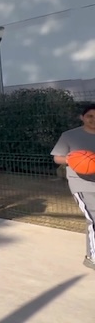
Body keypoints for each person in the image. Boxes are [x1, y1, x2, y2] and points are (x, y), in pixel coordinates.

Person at [52, 104, 95, 270]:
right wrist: (70, 160)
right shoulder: (70, 136)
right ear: (82, 117)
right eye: (89, 116)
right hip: (82, 184)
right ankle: (92, 257)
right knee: (93, 219)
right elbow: (57, 158)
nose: (93, 119)